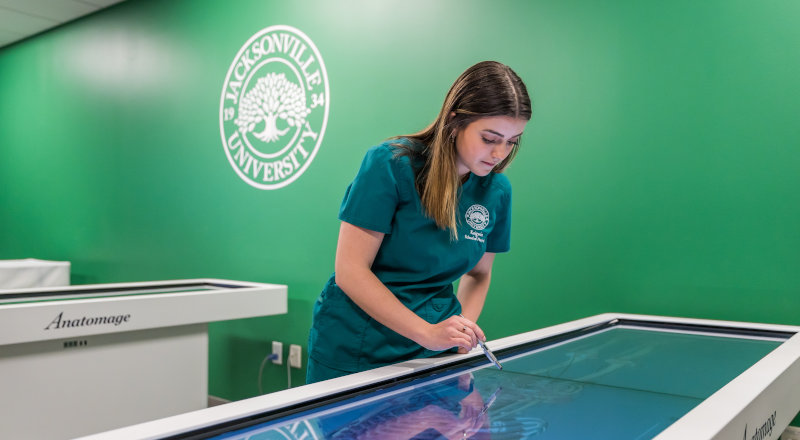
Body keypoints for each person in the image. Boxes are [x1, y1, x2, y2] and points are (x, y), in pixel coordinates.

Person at [307, 60, 532, 383]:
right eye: (489, 138)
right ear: (455, 121)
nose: (500, 153)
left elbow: (480, 274)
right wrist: (426, 333)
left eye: (512, 141)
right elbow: (350, 271)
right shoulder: (390, 164)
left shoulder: (496, 190)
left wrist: (458, 336)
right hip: (359, 345)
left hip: (434, 347)